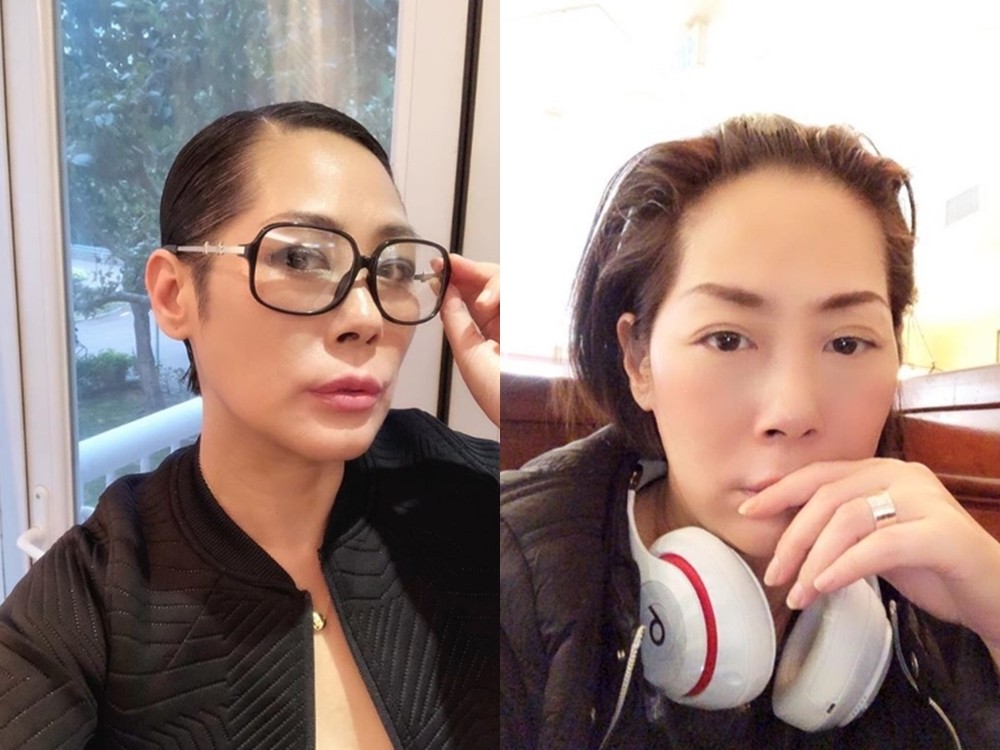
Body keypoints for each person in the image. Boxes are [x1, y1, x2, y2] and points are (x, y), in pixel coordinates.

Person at [0, 102, 499, 749]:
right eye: (301, 258)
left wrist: (520, 409)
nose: (367, 318)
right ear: (174, 295)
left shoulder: (471, 493)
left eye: (394, 270)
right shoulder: (88, 602)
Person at [500, 114, 1000, 749]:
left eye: (847, 343)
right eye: (727, 339)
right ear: (639, 359)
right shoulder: (511, 583)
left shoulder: (936, 585)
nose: (792, 411)